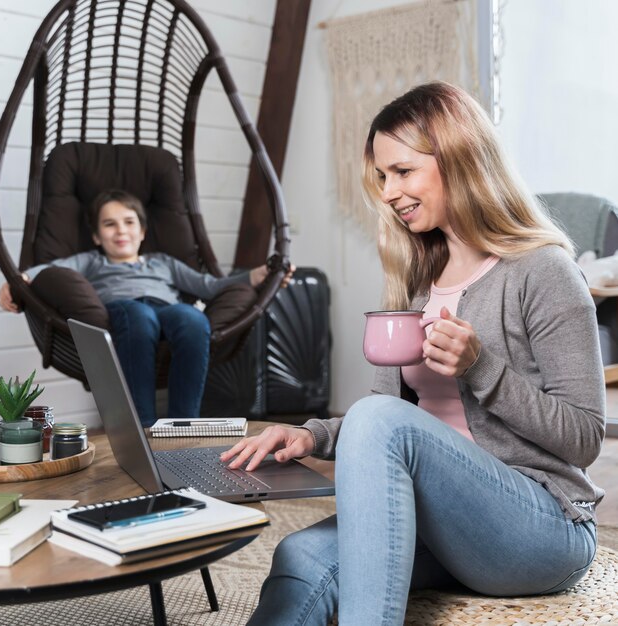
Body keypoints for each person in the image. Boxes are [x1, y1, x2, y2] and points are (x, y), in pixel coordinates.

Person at [221, 82, 606, 625]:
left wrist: (482, 370)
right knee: (300, 557)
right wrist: (312, 435)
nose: (388, 192)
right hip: (447, 525)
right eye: (382, 177)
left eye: (403, 171)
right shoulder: (420, 284)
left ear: (459, 159)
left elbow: (585, 438)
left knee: (379, 419)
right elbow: (388, 422)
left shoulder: (543, 271)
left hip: (542, 528)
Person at [0, 189, 292, 426]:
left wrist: (257, 277)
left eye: (128, 222)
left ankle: (184, 423)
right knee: (139, 315)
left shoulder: (163, 262)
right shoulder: (92, 261)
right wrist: (17, 282)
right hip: (125, 313)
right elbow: (49, 270)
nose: (120, 231)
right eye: (109, 224)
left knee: (192, 318)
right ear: (97, 237)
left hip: (169, 311)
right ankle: (143, 424)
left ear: (142, 232)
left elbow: (212, 286)